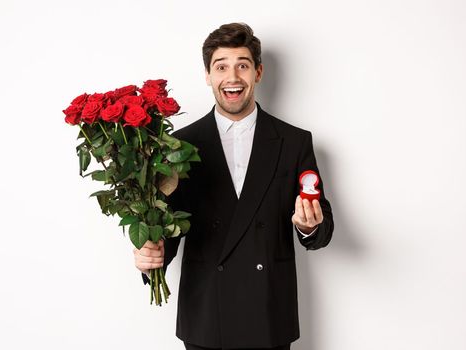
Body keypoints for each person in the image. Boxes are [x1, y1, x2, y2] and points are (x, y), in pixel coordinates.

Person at [132, 23, 334, 350]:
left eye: (242, 65)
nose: (233, 76)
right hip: (207, 316)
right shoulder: (179, 145)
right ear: (208, 75)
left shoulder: (295, 142)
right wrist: (151, 256)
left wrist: (309, 226)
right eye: (221, 66)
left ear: (258, 72)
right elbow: (168, 224)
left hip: (269, 314)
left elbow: (322, 228)